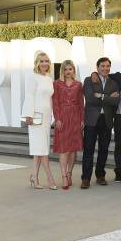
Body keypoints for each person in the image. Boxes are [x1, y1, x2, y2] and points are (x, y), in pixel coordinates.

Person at [81, 57, 120, 189]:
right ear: (97, 67)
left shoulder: (113, 83)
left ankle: (100, 175)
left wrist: (102, 96)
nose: (105, 68)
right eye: (102, 66)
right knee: (88, 150)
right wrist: (108, 97)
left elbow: (116, 102)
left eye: (108, 66)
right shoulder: (89, 80)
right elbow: (90, 98)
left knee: (104, 149)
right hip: (92, 120)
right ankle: (86, 178)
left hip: (106, 120)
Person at [22, 51, 56, 190]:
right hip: (36, 116)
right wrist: (27, 115)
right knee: (42, 149)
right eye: (41, 61)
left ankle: (34, 177)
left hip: (47, 117)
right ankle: (49, 178)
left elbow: (50, 99)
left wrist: (54, 115)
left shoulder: (48, 78)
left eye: (46, 61)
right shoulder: (33, 77)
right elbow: (29, 95)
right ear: (37, 63)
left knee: (39, 149)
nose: (44, 63)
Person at [52, 60, 84, 190]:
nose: (68, 71)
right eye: (65, 69)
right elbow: (55, 103)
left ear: (73, 71)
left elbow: (81, 104)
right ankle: (64, 176)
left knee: (73, 149)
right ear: (62, 71)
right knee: (64, 149)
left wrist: (82, 119)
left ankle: (70, 173)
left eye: (70, 69)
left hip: (75, 117)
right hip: (63, 118)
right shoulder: (57, 84)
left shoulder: (78, 84)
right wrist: (57, 118)